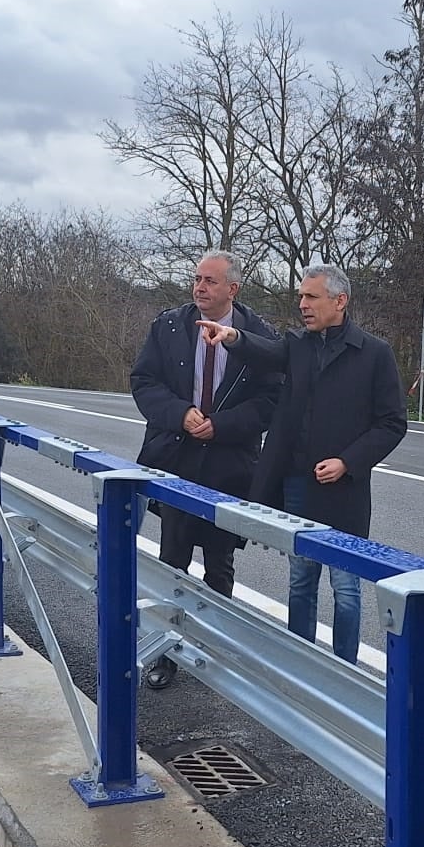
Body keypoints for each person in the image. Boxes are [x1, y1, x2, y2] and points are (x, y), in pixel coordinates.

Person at [198, 263, 406, 663]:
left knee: (346, 589)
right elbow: (267, 352)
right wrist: (233, 337)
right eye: (300, 297)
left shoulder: (374, 354)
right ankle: (302, 663)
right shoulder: (298, 345)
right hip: (297, 484)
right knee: (301, 579)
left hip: (344, 490)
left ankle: (346, 671)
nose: (303, 305)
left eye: (311, 297)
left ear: (339, 301)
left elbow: (392, 423)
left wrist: (348, 462)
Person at [129, 250, 282, 687]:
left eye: (210, 281)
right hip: (176, 458)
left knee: (220, 561)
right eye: (197, 279)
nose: (199, 287)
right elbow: (143, 382)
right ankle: (165, 650)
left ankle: (211, 651)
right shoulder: (169, 327)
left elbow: (272, 399)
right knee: (173, 558)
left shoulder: (257, 335)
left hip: (230, 462)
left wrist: (223, 425)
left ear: (232, 289)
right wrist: (180, 414)